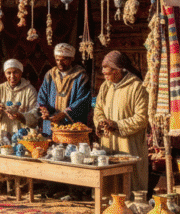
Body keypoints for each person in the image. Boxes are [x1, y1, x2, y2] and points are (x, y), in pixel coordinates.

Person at [93, 51, 149, 194]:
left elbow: (142, 118)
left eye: (108, 72)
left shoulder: (137, 87)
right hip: (108, 142)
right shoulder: (106, 86)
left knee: (129, 183)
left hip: (129, 145)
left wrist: (117, 125)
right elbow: (98, 108)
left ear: (118, 71)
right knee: (109, 181)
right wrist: (101, 122)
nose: (104, 76)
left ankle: (130, 207)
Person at [38, 43, 93, 136]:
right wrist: (44, 110)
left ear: (72, 59)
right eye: (57, 60)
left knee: (71, 148)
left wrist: (64, 114)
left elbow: (83, 100)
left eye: (64, 60)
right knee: (48, 144)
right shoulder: (50, 74)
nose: (60, 63)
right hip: (50, 120)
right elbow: (42, 95)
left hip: (71, 122)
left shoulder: (80, 76)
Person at [0, 59, 39, 138]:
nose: (12, 76)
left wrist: (21, 117)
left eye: (15, 72)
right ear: (5, 74)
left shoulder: (29, 90)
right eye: (9, 73)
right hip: (2, 134)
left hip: (24, 136)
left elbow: (36, 113)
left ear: (21, 73)